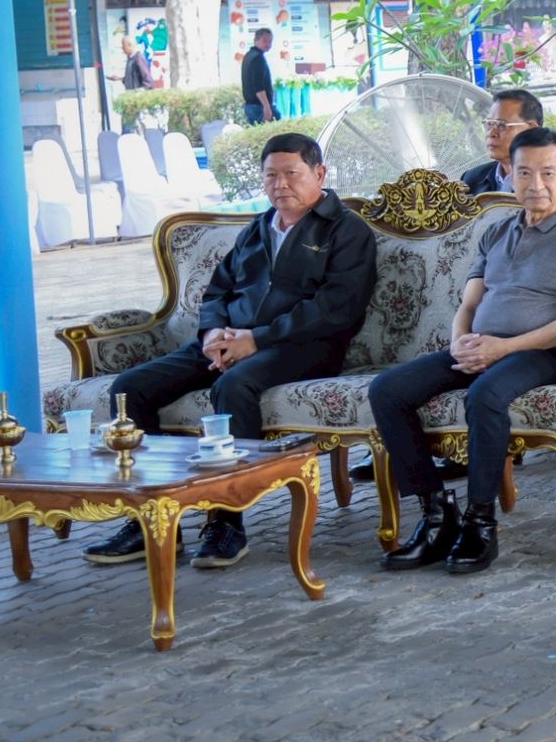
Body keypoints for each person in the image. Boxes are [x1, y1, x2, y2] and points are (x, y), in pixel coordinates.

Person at [85, 133, 378, 569]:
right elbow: (218, 290)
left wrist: (257, 339)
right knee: (131, 389)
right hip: (228, 340)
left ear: (319, 173)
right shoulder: (258, 229)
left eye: (291, 173)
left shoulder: (346, 229)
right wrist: (211, 333)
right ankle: (150, 520)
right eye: (271, 176)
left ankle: (226, 521)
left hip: (303, 346)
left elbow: (337, 307)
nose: (280, 184)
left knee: (234, 386)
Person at [369, 128, 556, 573]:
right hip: (483, 346)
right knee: (387, 389)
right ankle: (436, 515)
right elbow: (469, 303)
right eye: (524, 173)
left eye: (548, 173)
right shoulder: (496, 231)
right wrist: (460, 339)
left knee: (485, 395)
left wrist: (504, 348)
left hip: (546, 352)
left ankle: (481, 523)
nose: (536, 184)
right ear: (510, 176)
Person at [461, 89, 556, 200]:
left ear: (531, 128)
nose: (491, 133)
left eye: (501, 125)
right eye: (489, 124)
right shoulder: (471, 179)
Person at [241, 27, 277, 123]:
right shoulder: (257, 58)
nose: (268, 44)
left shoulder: (249, 55)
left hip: (251, 105)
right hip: (258, 106)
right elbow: (258, 85)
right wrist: (266, 106)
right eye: (264, 41)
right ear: (256, 40)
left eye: (270, 41)